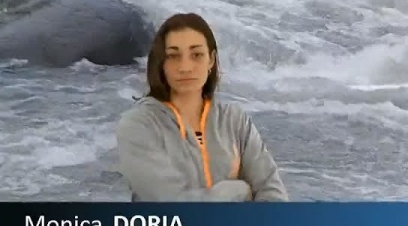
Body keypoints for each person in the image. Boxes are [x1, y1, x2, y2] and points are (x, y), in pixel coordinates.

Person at [116, 13, 289, 202]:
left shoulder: (234, 121)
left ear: (211, 60)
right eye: (173, 56)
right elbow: (171, 202)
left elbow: (272, 191)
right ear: (161, 63)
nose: (185, 67)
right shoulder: (139, 125)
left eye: (196, 55)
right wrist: (237, 191)